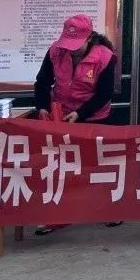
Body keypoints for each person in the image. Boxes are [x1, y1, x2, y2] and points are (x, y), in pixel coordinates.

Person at [33, 14, 122, 236]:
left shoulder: (105, 57)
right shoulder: (55, 52)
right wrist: (42, 106)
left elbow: (104, 93)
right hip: (62, 116)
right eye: (68, 44)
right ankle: (58, 215)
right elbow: (42, 82)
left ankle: (109, 210)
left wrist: (81, 113)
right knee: (60, 166)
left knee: (98, 165)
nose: (71, 50)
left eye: (76, 45)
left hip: (95, 116)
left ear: (89, 38)